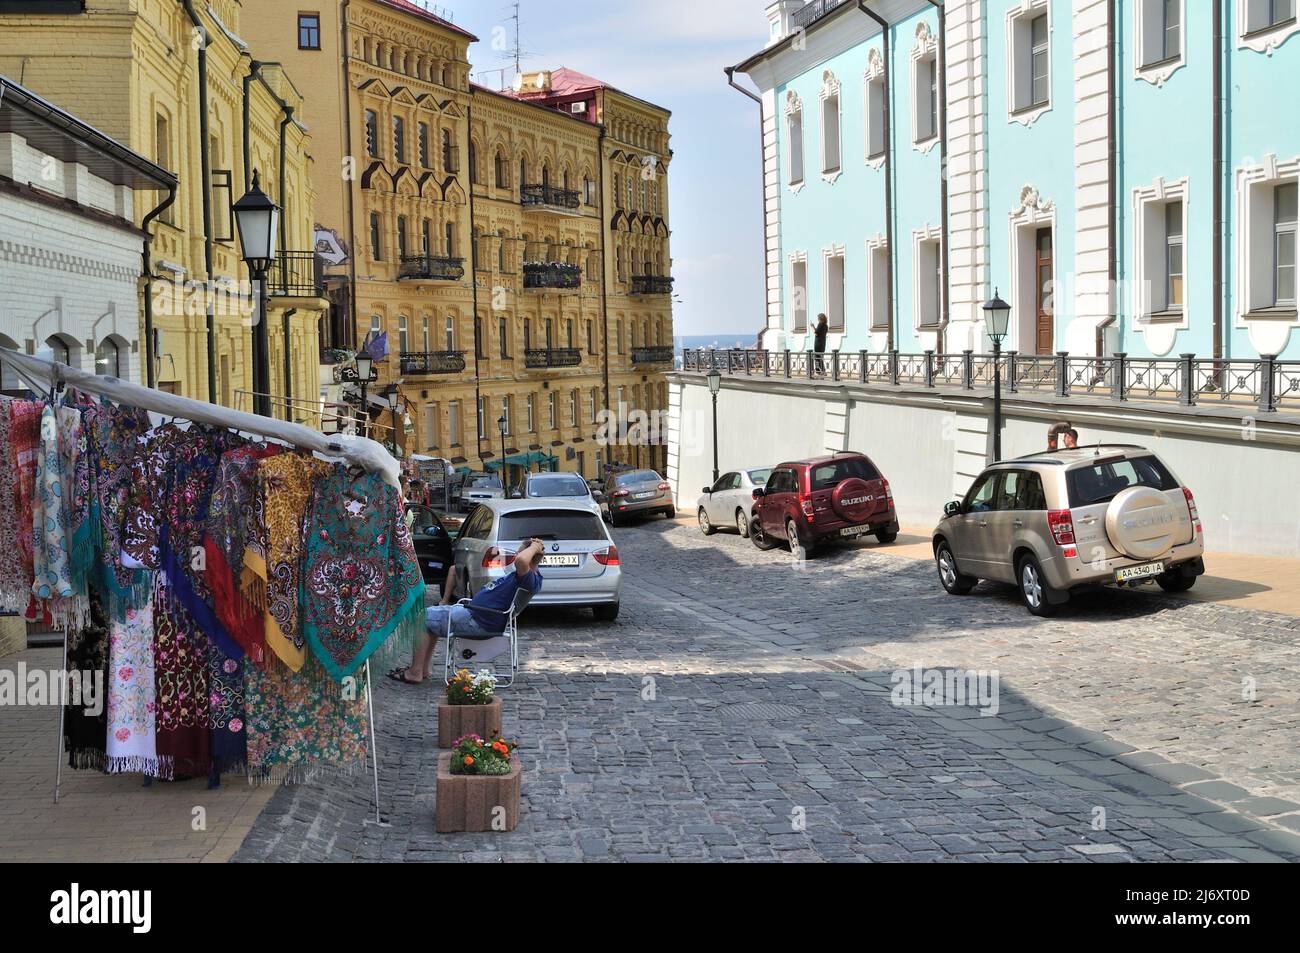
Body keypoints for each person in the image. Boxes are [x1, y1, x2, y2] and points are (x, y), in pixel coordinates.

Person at [388, 537, 545, 685]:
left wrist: (535, 547)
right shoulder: (524, 576)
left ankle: (414, 672)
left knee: (421, 619)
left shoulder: (529, 579)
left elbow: (521, 560)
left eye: (520, 552)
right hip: (475, 613)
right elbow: (522, 560)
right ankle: (422, 669)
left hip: (478, 621)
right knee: (431, 616)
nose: (517, 555)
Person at [812, 313, 829, 377]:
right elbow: (821, 333)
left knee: (817, 357)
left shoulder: (820, 324)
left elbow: (816, 333)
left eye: (818, 318)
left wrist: (813, 327)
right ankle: (821, 371)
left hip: (818, 343)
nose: (817, 319)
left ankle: (819, 371)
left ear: (820, 318)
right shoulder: (826, 325)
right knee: (820, 357)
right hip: (823, 343)